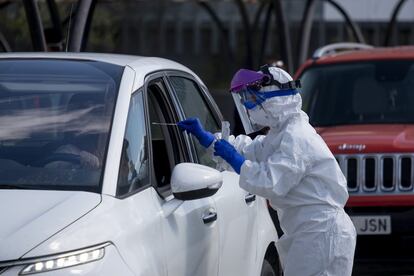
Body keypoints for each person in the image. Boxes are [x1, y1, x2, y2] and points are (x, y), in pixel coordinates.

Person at [177, 65, 356, 276]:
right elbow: (251, 149)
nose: (248, 105)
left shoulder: (297, 137)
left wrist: (235, 160)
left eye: (252, 99)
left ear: (273, 99)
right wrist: (210, 140)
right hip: (309, 231)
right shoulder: (281, 134)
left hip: (321, 232)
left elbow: (270, 183)